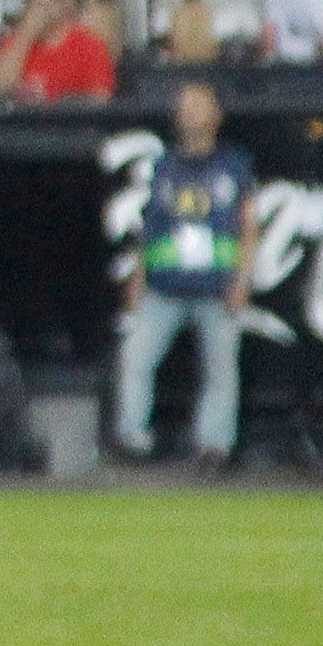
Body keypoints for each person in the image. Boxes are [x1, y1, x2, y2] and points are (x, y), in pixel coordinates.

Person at [114, 79, 256, 468]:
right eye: (184, 104)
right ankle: (131, 438)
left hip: (216, 287)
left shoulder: (234, 165)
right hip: (165, 287)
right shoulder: (163, 166)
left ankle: (214, 446)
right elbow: (151, 226)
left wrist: (243, 280)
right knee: (136, 358)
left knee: (220, 369)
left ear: (217, 114)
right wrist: (138, 276)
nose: (189, 111)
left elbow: (248, 228)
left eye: (198, 104)